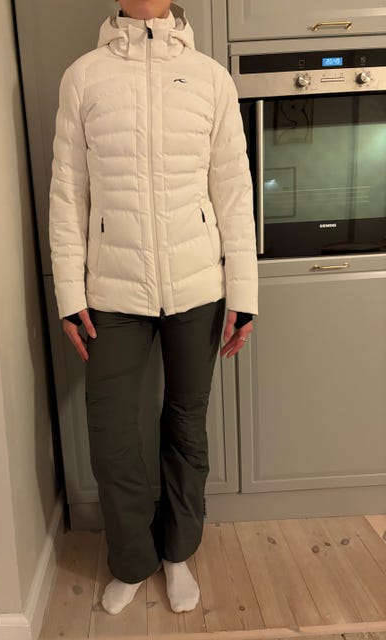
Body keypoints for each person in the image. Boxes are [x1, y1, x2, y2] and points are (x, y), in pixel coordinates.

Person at [49, 0, 258, 616]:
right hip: (111, 291)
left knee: (186, 424)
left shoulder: (210, 78)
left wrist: (243, 293)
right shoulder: (83, 77)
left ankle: (177, 552)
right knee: (112, 434)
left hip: (198, 286)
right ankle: (132, 559)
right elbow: (68, 195)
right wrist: (69, 295)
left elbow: (233, 190)